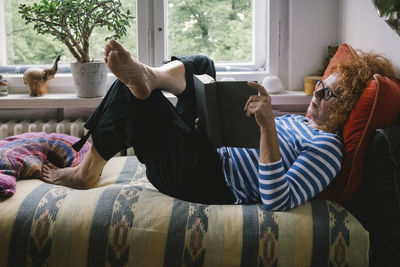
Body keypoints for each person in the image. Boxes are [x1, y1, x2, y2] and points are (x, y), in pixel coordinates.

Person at [41, 40, 395, 211]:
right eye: (320, 84)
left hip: (207, 179)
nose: (318, 92)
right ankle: (148, 75)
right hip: (206, 147)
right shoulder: (300, 122)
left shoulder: (328, 150)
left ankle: (87, 172)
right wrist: (218, 116)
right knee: (202, 65)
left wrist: (268, 128)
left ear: (348, 107)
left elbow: (277, 200)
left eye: (330, 92)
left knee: (130, 91)